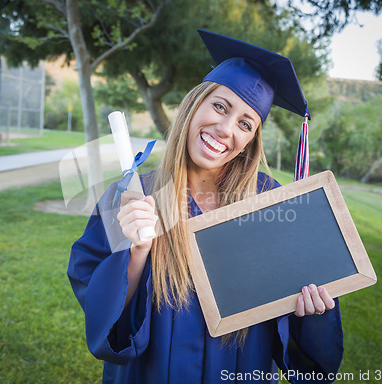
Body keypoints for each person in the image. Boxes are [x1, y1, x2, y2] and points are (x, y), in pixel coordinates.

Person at [68, 30, 343, 384]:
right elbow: (103, 315)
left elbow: (299, 334)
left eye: (245, 123)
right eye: (219, 106)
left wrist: (311, 314)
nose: (226, 129)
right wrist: (136, 251)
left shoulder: (271, 205)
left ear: (249, 141)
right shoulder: (134, 195)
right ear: (194, 104)